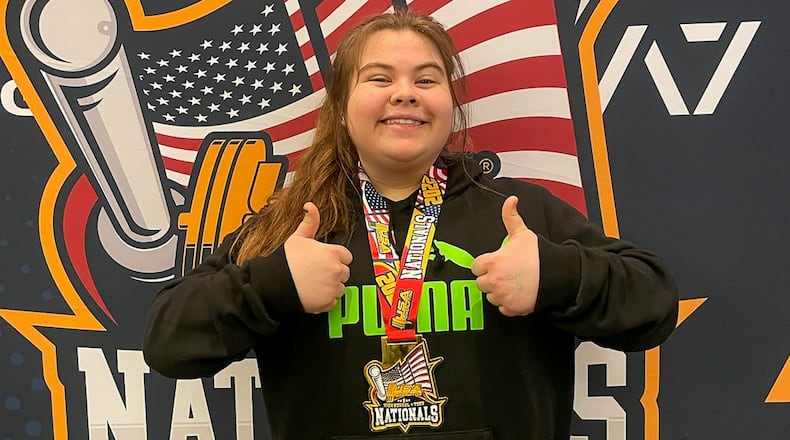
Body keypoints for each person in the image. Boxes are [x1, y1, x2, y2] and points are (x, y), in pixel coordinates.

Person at [143, 9, 679, 440]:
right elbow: (169, 345)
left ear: (448, 102)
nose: (405, 93)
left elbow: (653, 307)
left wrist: (557, 276)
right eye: (379, 78)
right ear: (342, 105)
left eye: (426, 79)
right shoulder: (294, 223)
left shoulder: (519, 213)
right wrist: (274, 284)